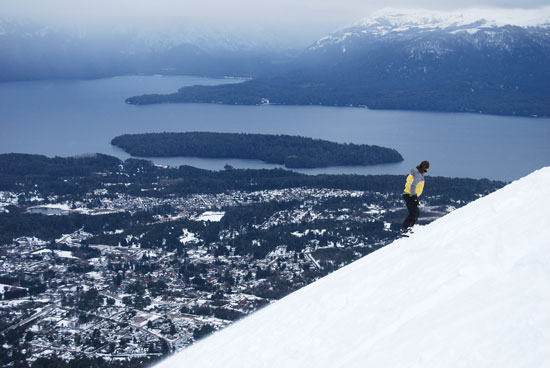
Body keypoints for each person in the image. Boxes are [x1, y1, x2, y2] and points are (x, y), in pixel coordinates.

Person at [402, 160, 430, 233]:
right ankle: (405, 228)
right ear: (426, 168)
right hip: (410, 195)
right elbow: (413, 186)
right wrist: (414, 197)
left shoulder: (416, 172)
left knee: (416, 213)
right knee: (413, 213)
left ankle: (410, 227)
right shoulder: (418, 175)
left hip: (409, 195)